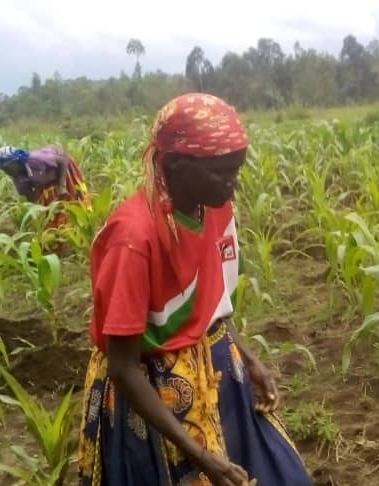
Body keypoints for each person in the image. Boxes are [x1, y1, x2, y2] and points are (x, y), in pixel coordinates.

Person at [76, 93, 311, 486]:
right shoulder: (134, 238)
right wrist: (203, 455)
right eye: (221, 172)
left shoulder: (215, 206)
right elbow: (122, 366)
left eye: (236, 170)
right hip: (150, 395)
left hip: (215, 366)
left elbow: (213, 304)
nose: (232, 184)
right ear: (175, 165)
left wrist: (248, 357)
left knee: (281, 474)